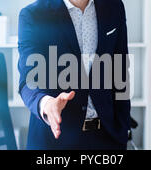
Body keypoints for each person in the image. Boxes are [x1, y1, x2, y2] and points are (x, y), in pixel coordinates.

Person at [18, 0, 130, 150]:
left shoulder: (114, 7)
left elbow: (121, 71)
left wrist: (123, 128)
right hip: (56, 140)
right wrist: (46, 104)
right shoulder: (33, 15)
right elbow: (28, 81)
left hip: (107, 137)